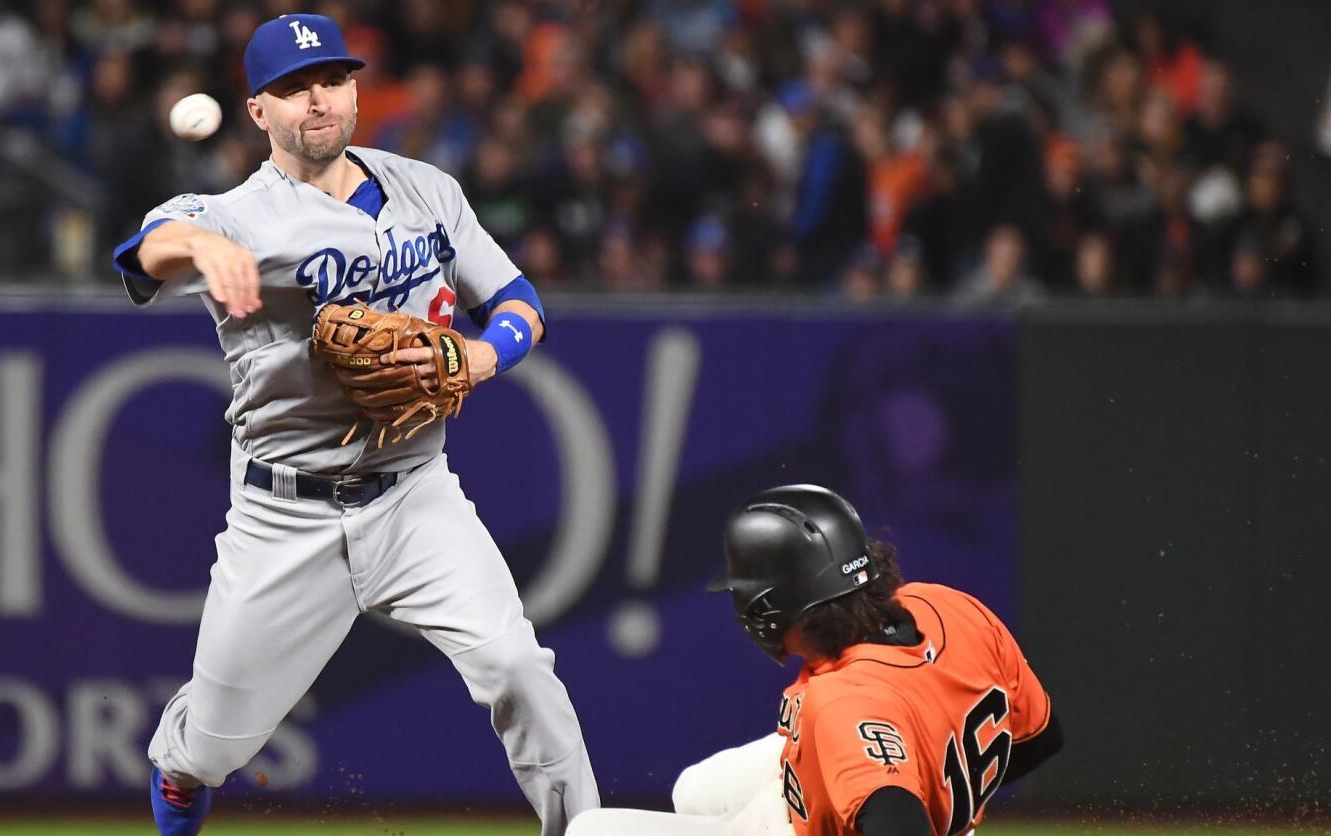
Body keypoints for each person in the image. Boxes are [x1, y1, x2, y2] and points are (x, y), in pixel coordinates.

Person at [110, 14, 599, 836]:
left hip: (414, 495)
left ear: (355, 88)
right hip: (284, 514)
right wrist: (200, 248)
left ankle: (584, 830)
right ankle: (181, 772)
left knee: (518, 666)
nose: (319, 99)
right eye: (294, 88)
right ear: (258, 110)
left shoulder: (428, 191)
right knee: (211, 750)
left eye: (332, 79)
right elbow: (150, 244)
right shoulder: (237, 215)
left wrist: (480, 358)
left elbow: (521, 304)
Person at [567, 485, 1061, 835]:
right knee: (694, 791)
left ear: (775, 604)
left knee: (589, 831)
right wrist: (945, 793)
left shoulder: (843, 702)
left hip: (799, 823)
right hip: (874, 772)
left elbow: (895, 819)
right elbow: (1041, 738)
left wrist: (916, 798)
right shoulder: (947, 605)